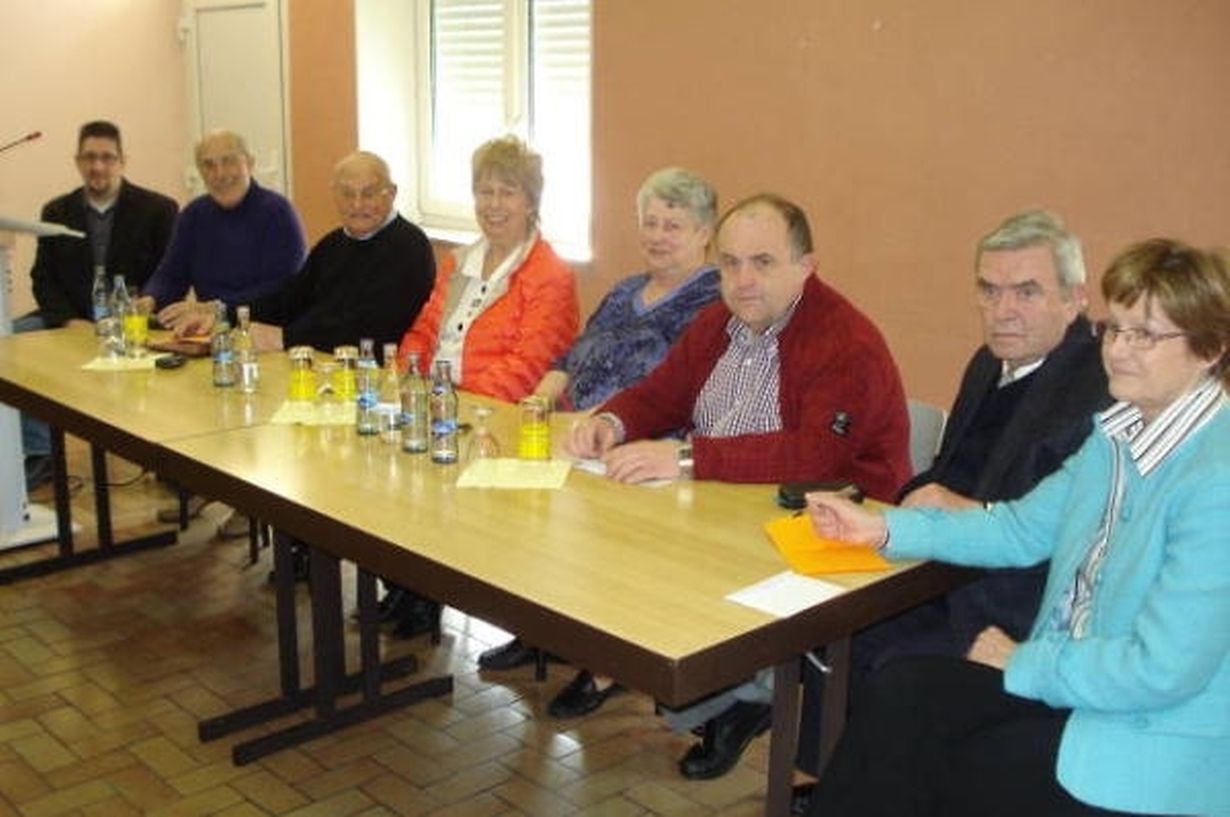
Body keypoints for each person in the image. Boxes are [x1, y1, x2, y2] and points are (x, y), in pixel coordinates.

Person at [805, 237, 1230, 817]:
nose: (1119, 350)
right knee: (903, 692)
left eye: (1146, 335)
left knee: (956, 767)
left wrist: (1025, 662)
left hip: (1150, 738)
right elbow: (1017, 528)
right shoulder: (1119, 435)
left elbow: (1161, 670)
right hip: (1077, 692)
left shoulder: (1215, 481)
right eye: (1115, 328)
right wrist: (882, 528)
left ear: (1210, 349)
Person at [569, 193, 911, 780]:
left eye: (763, 262)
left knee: (679, 563)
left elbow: (814, 455)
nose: (743, 280)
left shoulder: (843, 342)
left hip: (827, 521)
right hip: (723, 503)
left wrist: (685, 457)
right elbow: (663, 392)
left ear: (806, 266)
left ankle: (746, 693)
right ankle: (712, 692)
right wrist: (613, 421)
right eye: (729, 263)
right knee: (620, 539)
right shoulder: (717, 322)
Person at [792, 211, 1114, 800]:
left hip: (1006, 599)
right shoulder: (988, 362)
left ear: (1074, 300)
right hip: (939, 565)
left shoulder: (1096, 391)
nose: (1003, 310)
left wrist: (946, 507)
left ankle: (875, 787)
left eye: (1026, 291)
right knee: (821, 623)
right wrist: (894, 507)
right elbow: (948, 468)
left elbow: (1051, 535)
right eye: (989, 290)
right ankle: (837, 777)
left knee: (887, 661)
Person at [477, 167, 723, 710]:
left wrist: (586, 424)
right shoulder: (625, 290)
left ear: (705, 233)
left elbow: (671, 392)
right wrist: (539, 403)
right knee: (519, 509)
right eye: (650, 223)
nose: (657, 236)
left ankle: (608, 667)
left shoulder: (712, 304)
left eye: (673, 226)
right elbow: (572, 355)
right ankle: (540, 631)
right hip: (573, 430)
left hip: (641, 447)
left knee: (589, 530)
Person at [381, 134, 579, 638]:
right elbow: (425, 331)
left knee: (433, 469)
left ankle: (430, 592)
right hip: (442, 405)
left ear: (531, 201)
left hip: (503, 420)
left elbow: (528, 367)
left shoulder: (549, 276)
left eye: (507, 192)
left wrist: (449, 407)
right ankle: (408, 583)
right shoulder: (459, 262)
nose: (493, 204)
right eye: (484, 191)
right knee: (386, 470)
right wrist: (408, 380)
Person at [16, 120, 178, 489]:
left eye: (107, 157)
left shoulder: (158, 209)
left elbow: (170, 273)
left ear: (123, 161)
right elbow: (43, 277)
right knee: (11, 343)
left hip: (137, 321)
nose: (98, 166)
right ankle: (40, 454)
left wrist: (140, 309)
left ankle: (169, 460)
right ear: (77, 161)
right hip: (71, 319)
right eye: (89, 157)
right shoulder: (56, 211)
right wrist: (69, 322)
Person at [174, 151, 435, 353]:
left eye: (368, 194)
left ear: (391, 194)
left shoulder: (409, 247)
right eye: (347, 194)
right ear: (334, 194)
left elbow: (374, 331)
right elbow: (288, 300)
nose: (357, 204)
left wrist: (285, 338)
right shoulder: (333, 243)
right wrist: (222, 315)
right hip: (313, 361)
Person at [140, 130, 306, 332]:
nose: (219, 173)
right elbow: (171, 274)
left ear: (250, 163)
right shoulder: (193, 215)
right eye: (208, 165)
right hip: (209, 332)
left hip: (265, 333)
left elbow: (282, 289)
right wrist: (151, 299)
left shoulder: (278, 212)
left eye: (229, 161)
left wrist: (214, 307)